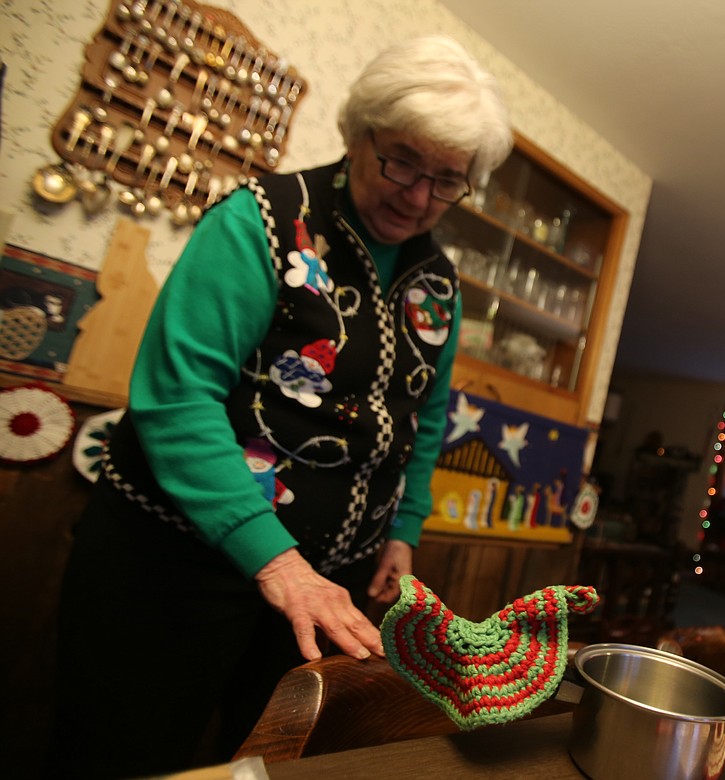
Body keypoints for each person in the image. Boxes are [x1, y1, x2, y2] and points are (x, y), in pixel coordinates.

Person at [47, 35, 512, 779]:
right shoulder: (258, 222)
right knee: (124, 756)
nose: (419, 197)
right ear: (357, 134)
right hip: (174, 568)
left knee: (277, 768)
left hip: (327, 588)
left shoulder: (439, 281)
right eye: (400, 161)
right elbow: (176, 400)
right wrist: (278, 564)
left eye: (447, 179)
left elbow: (421, 417)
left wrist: (405, 527)